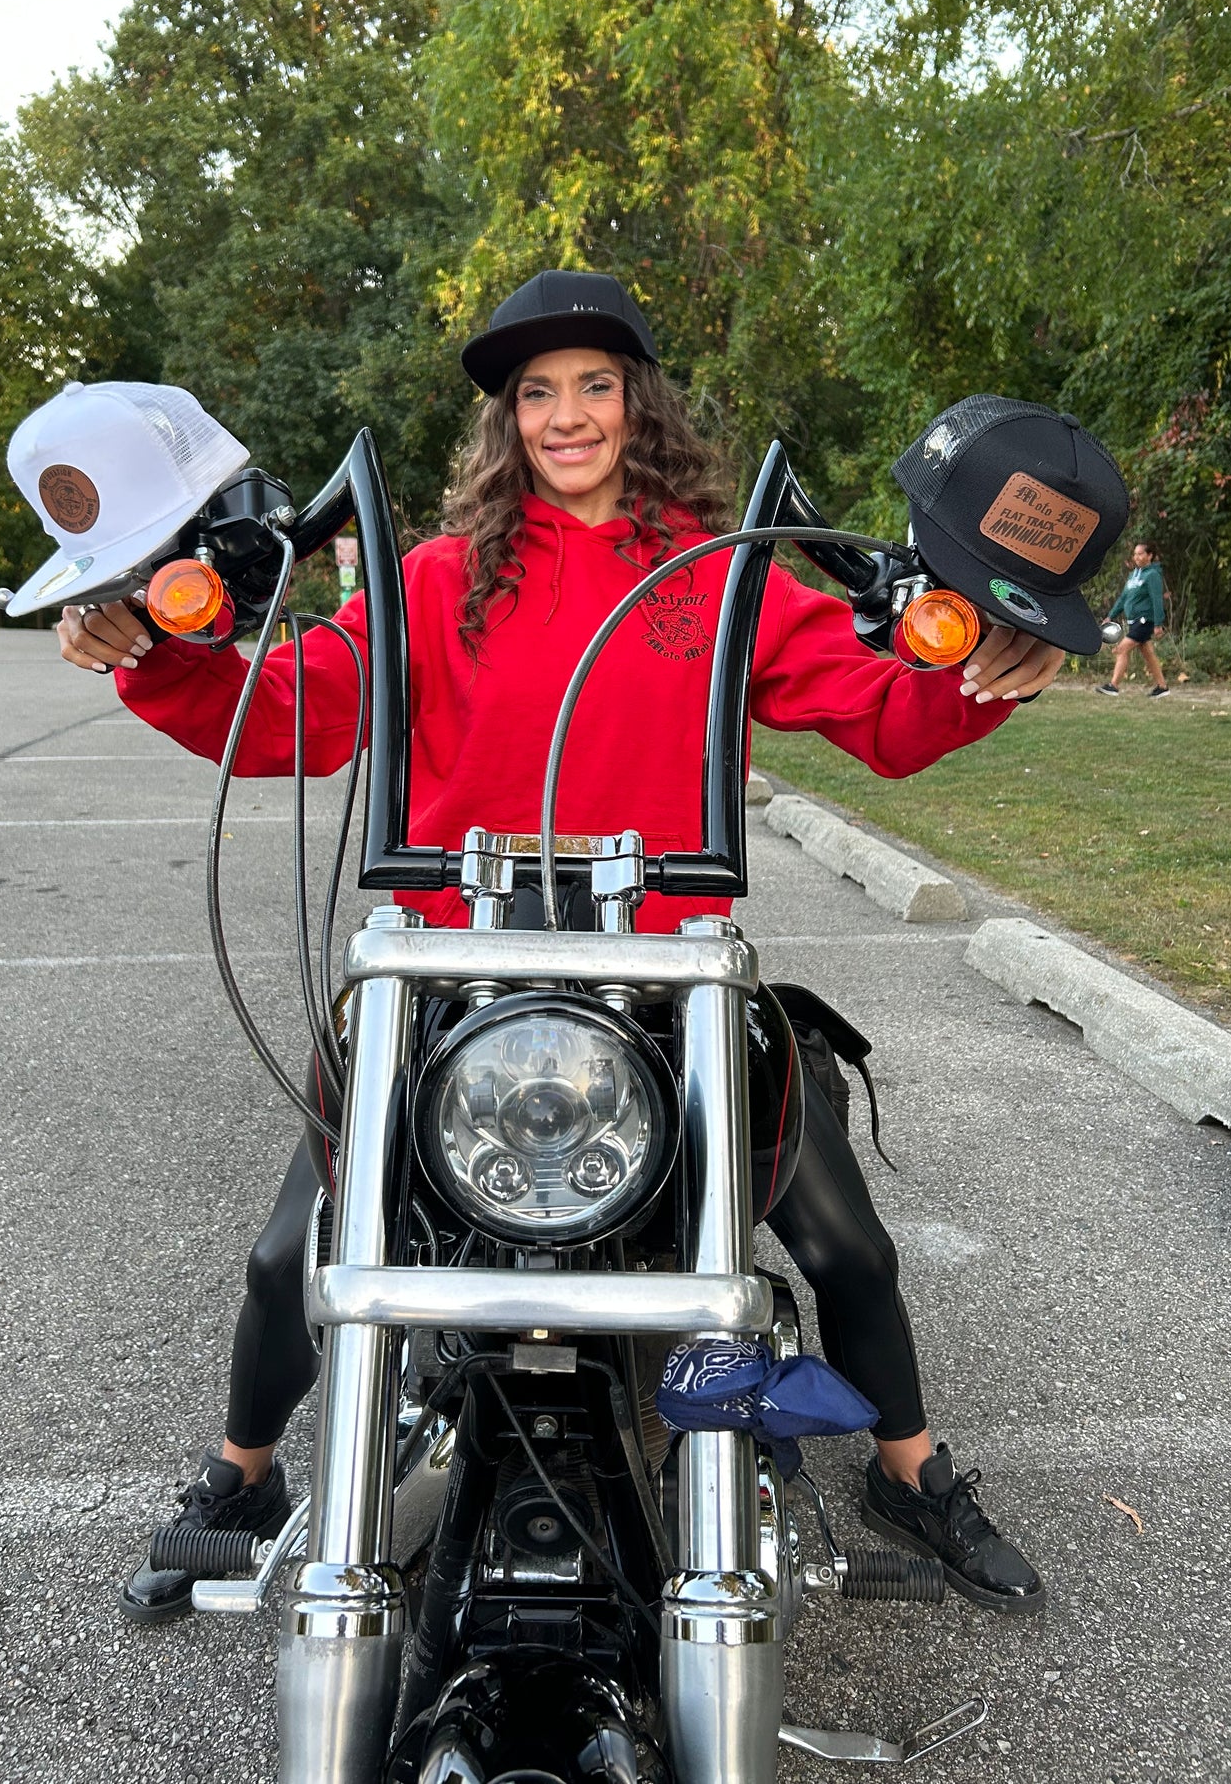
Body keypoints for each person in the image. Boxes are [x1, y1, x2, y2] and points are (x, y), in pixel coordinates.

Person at [56, 271, 1076, 1626]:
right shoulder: (434, 576)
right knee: (286, 1256)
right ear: (507, 418)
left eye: (595, 383)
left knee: (845, 1244)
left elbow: (885, 713)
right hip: (452, 980)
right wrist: (152, 657)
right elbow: (301, 709)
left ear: (638, 402)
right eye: (536, 391)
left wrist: (983, 673)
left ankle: (910, 1468)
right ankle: (241, 1475)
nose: (567, 413)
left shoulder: (720, 571)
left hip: (663, 986)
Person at [1097, 540, 1169, 696]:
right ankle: (1162, 687)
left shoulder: (1152, 575)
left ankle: (1113, 686)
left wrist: (1158, 623)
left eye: (1140, 554)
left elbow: (1157, 599)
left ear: (1149, 556)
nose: (1136, 557)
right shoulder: (1133, 575)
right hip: (1133, 620)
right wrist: (1111, 616)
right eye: (1135, 554)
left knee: (1121, 649)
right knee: (1148, 654)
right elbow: (1123, 598)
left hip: (1144, 620)